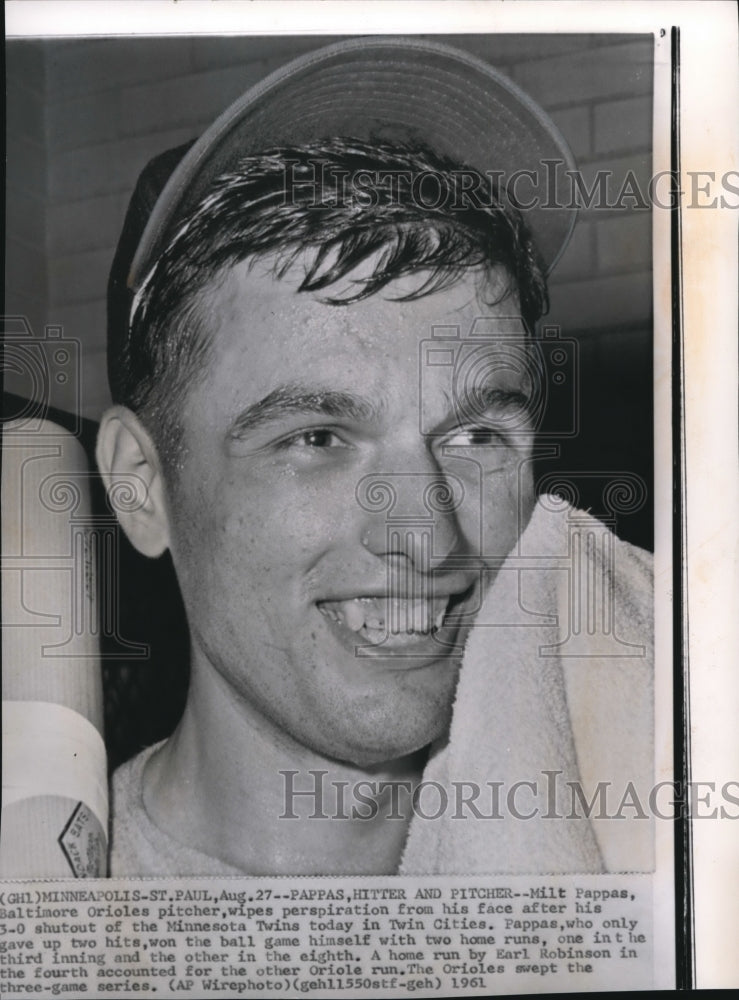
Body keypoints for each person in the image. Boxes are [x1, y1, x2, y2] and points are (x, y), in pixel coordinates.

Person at [96, 38, 653, 876]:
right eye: (316, 438)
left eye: (474, 437)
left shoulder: (646, 853)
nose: (428, 541)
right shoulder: (53, 899)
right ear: (143, 487)